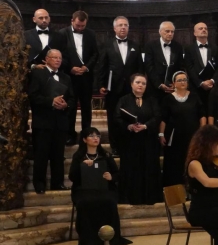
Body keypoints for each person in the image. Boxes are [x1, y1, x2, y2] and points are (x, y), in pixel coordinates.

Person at [68, 127, 132, 245]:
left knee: (109, 202)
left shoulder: (106, 155)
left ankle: (111, 237)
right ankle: (89, 239)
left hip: (104, 188)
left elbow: (117, 174)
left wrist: (111, 177)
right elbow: (72, 176)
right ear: (84, 139)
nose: (95, 138)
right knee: (85, 202)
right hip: (83, 189)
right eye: (92, 136)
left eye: (97, 136)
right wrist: (82, 166)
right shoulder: (79, 156)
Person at [28, 49, 74, 194]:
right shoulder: (38, 73)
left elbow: (72, 98)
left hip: (60, 122)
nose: (58, 60)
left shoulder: (66, 77)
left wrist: (66, 105)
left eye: (60, 58)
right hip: (43, 121)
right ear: (46, 59)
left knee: (58, 155)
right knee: (41, 154)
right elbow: (33, 96)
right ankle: (39, 184)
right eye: (54, 57)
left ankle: (57, 183)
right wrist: (50, 101)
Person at [98, 16, 144, 157]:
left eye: (125, 25)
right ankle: (115, 146)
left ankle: (129, 144)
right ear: (114, 28)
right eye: (120, 25)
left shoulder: (135, 46)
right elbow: (101, 66)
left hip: (131, 90)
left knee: (131, 117)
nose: (123, 27)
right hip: (113, 89)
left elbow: (140, 68)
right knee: (113, 118)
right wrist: (100, 85)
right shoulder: (106, 45)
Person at [115, 74, 162, 205]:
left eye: (143, 83)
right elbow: (117, 118)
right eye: (138, 82)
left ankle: (149, 197)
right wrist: (129, 126)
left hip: (148, 141)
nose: (141, 85)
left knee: (149, 167)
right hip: (130, 141)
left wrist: (146, 126)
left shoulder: (152, 100)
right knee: (131, 168)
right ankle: (131, 197)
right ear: (131, 84)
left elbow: (157, 116)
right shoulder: (123, 100)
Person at [56, 10, 99, 145]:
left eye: (83, 26)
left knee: (86, 107)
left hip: (86, 77)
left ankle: (86, 135)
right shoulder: (62, 34)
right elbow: (59, 55)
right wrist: (70, 68)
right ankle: (70, 135)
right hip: (69, 77)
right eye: (78, 25)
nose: (80, 28)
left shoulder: (91, 34)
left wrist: (86, 67)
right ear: (72, 21)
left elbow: (95, 54)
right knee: (71, 106)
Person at [159, 71, 206, 187]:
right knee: (174, 162)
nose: (182, 82)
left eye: (184, 80)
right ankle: (175, 188)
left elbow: (202, 115)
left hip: (193, 136)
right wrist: (161, 134)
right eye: (179, 80)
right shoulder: (168, 99)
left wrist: (202, 132)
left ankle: (191, 187)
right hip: (174, 137)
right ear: (174, 83)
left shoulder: (194, 96)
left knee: (191, 160)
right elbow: (163, 118)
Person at [144, 21, 185, 102]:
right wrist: (159, 84)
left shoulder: (178, 46)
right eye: (167, 31)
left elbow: (180, 66)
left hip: (172, 88)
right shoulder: (150, 45)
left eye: (172, 31)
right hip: (154, 88)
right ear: (160, 31)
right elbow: (149, 66)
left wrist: (175, 84)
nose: (170, 34)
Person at [183, 22, 218, 107]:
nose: (204, 30)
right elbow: (189, 68)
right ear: (194, 33)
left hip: (212, 87)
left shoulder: (214, 48)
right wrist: (200, 83)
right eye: (201, 28)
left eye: (205, 28)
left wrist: (212, 80)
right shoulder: (189, 49)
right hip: (195, 87)